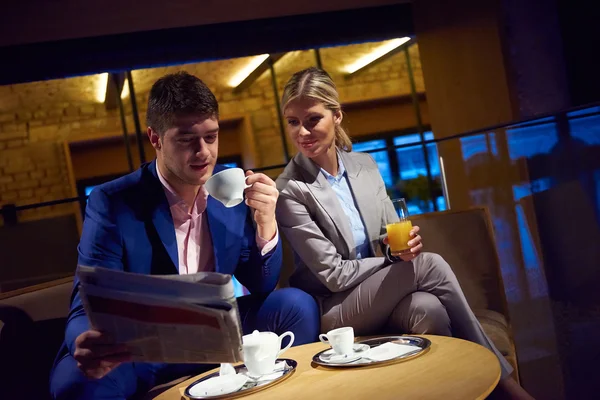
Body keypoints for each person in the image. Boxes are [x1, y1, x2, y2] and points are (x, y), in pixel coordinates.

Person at [50, 71, 320, 400]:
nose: (203, 152)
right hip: (142, 347)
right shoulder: (113, 202)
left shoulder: (229, 187)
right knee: (76, 384)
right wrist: (87, 341)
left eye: (211, 137)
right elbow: (84, 305)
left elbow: (260, 283)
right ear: (156, 138)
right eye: (187, 139)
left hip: (215, 332)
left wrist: (265, 223)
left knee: (295, 305)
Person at [274, 67, 534, 399]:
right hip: (335, 307)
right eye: (293, 122)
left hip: (382, 290)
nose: (302, 132)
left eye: (312, 119)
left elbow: (387, 235)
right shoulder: (290, 189)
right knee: (431, 265)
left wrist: (401, 245)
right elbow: (334, 276)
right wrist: (390, 256)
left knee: (429, 310)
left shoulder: (365, 165)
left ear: (336, 115)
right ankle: (505, 384)